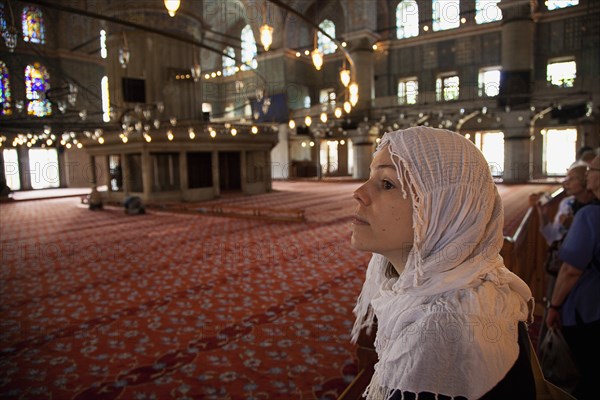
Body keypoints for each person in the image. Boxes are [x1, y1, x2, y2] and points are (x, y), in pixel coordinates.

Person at [350, 127, 535, 400]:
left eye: (387, 183)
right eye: (370, 178)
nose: (359, 193)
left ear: (444, 212)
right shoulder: (453, 291)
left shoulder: (440, 334)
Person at [545, 151, 600, 400]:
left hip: (588, 308)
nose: (589, 174)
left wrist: (554, 306)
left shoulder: (589, 215)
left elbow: (570, 270)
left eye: (593, 171)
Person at [529, 161, 594, 246]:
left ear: (586, 180)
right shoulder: (566, 203)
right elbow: (552, 237)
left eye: (572, 179)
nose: (566, 183)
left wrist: (574, 226)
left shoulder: (595, 209)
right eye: (567, 178)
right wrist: (543, 215)